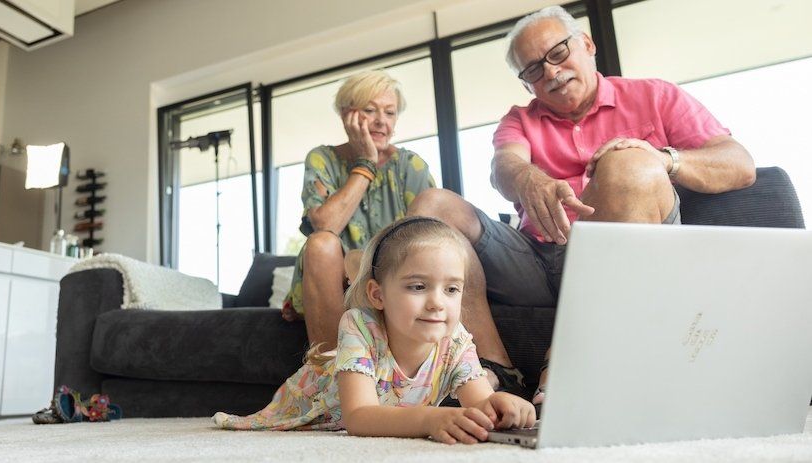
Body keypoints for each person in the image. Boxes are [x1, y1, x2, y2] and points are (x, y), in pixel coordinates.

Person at [408, 5, 756, 406]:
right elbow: (504, 166)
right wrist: (526, 177)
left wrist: (662, 159)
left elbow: (740, 164)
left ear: (587, 45)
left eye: (558, 53)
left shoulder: (655, 95)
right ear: (526, 85)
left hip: (622, 252)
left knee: (629, 164)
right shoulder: (519, 120)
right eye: (534, 70)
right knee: (432, 205)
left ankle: (568, 358)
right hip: (537, 259)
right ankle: (495, 370)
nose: (551, 73)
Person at [215, 217, 535, 443]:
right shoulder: (360, 325)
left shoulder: (455, 341)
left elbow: (479, 402)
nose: (438, 303)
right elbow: (359, 417)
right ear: (377, 295)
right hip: (310, 407)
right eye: (418, 286)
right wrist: (429, 419)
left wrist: (503, 406)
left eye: (452, 289)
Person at [280, 70, 436, 353]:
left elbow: (431, 245)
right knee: (321, 243)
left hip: (393, 279)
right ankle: (330, 374)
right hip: (333, 278)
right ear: (346, 115)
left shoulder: (410, 167)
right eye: (369, 110)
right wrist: (366, 164)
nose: (381, 121)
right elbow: (325, 226)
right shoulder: (322, 159)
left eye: (389, 113)